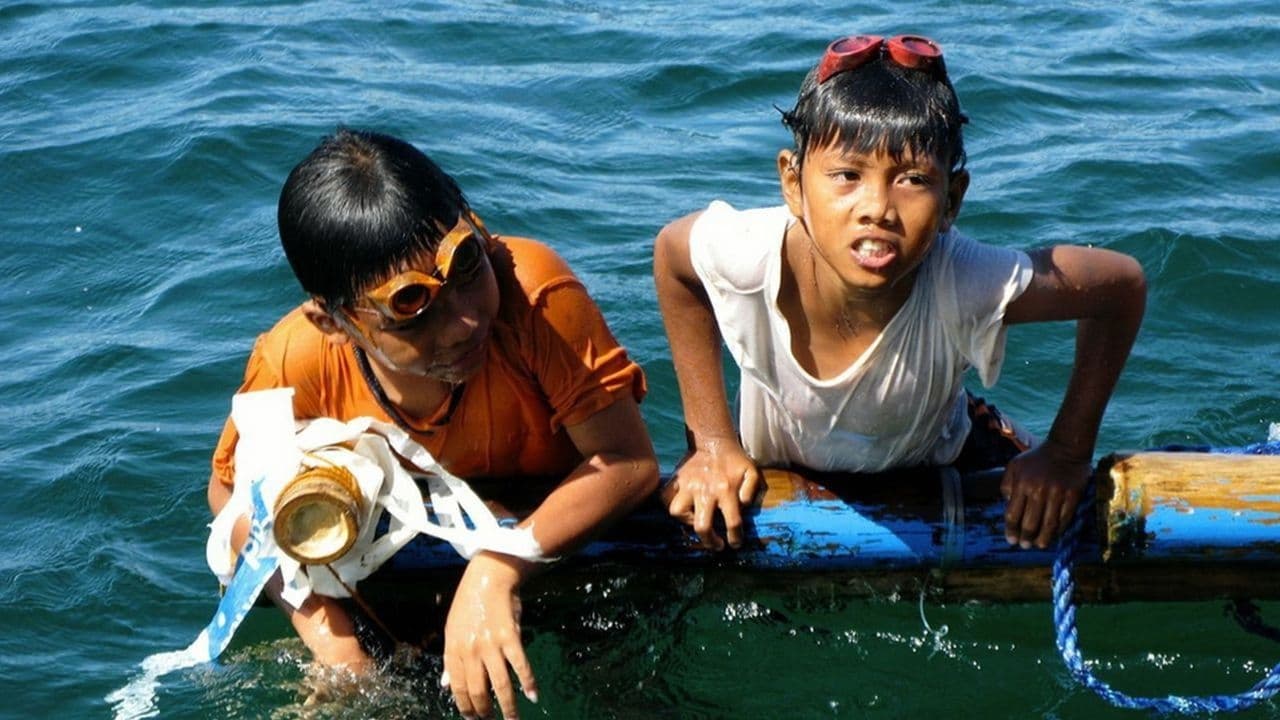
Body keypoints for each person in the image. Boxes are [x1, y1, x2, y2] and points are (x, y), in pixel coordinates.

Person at [207, 128, 659, 720]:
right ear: (334, 322)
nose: (464, 323)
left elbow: (626, 461)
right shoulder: (296, 359)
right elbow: (233, 498)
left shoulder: (534, 296)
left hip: (566, 562)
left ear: (474, 227)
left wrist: (498, 567)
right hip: (402, 608)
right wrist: (333, 644)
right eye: (411, 309)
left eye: (467, 266)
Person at [652, 34, 1145, 553]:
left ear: (952, 199)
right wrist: (710, 444)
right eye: (846, 175)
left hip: (941, 463)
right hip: (784, 468)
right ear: (792, 183)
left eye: (911, 179)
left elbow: (1121, 286)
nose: (877, 209)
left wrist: (1067, 452)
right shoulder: (751, 253)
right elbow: (673, 258)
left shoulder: (964, 279)